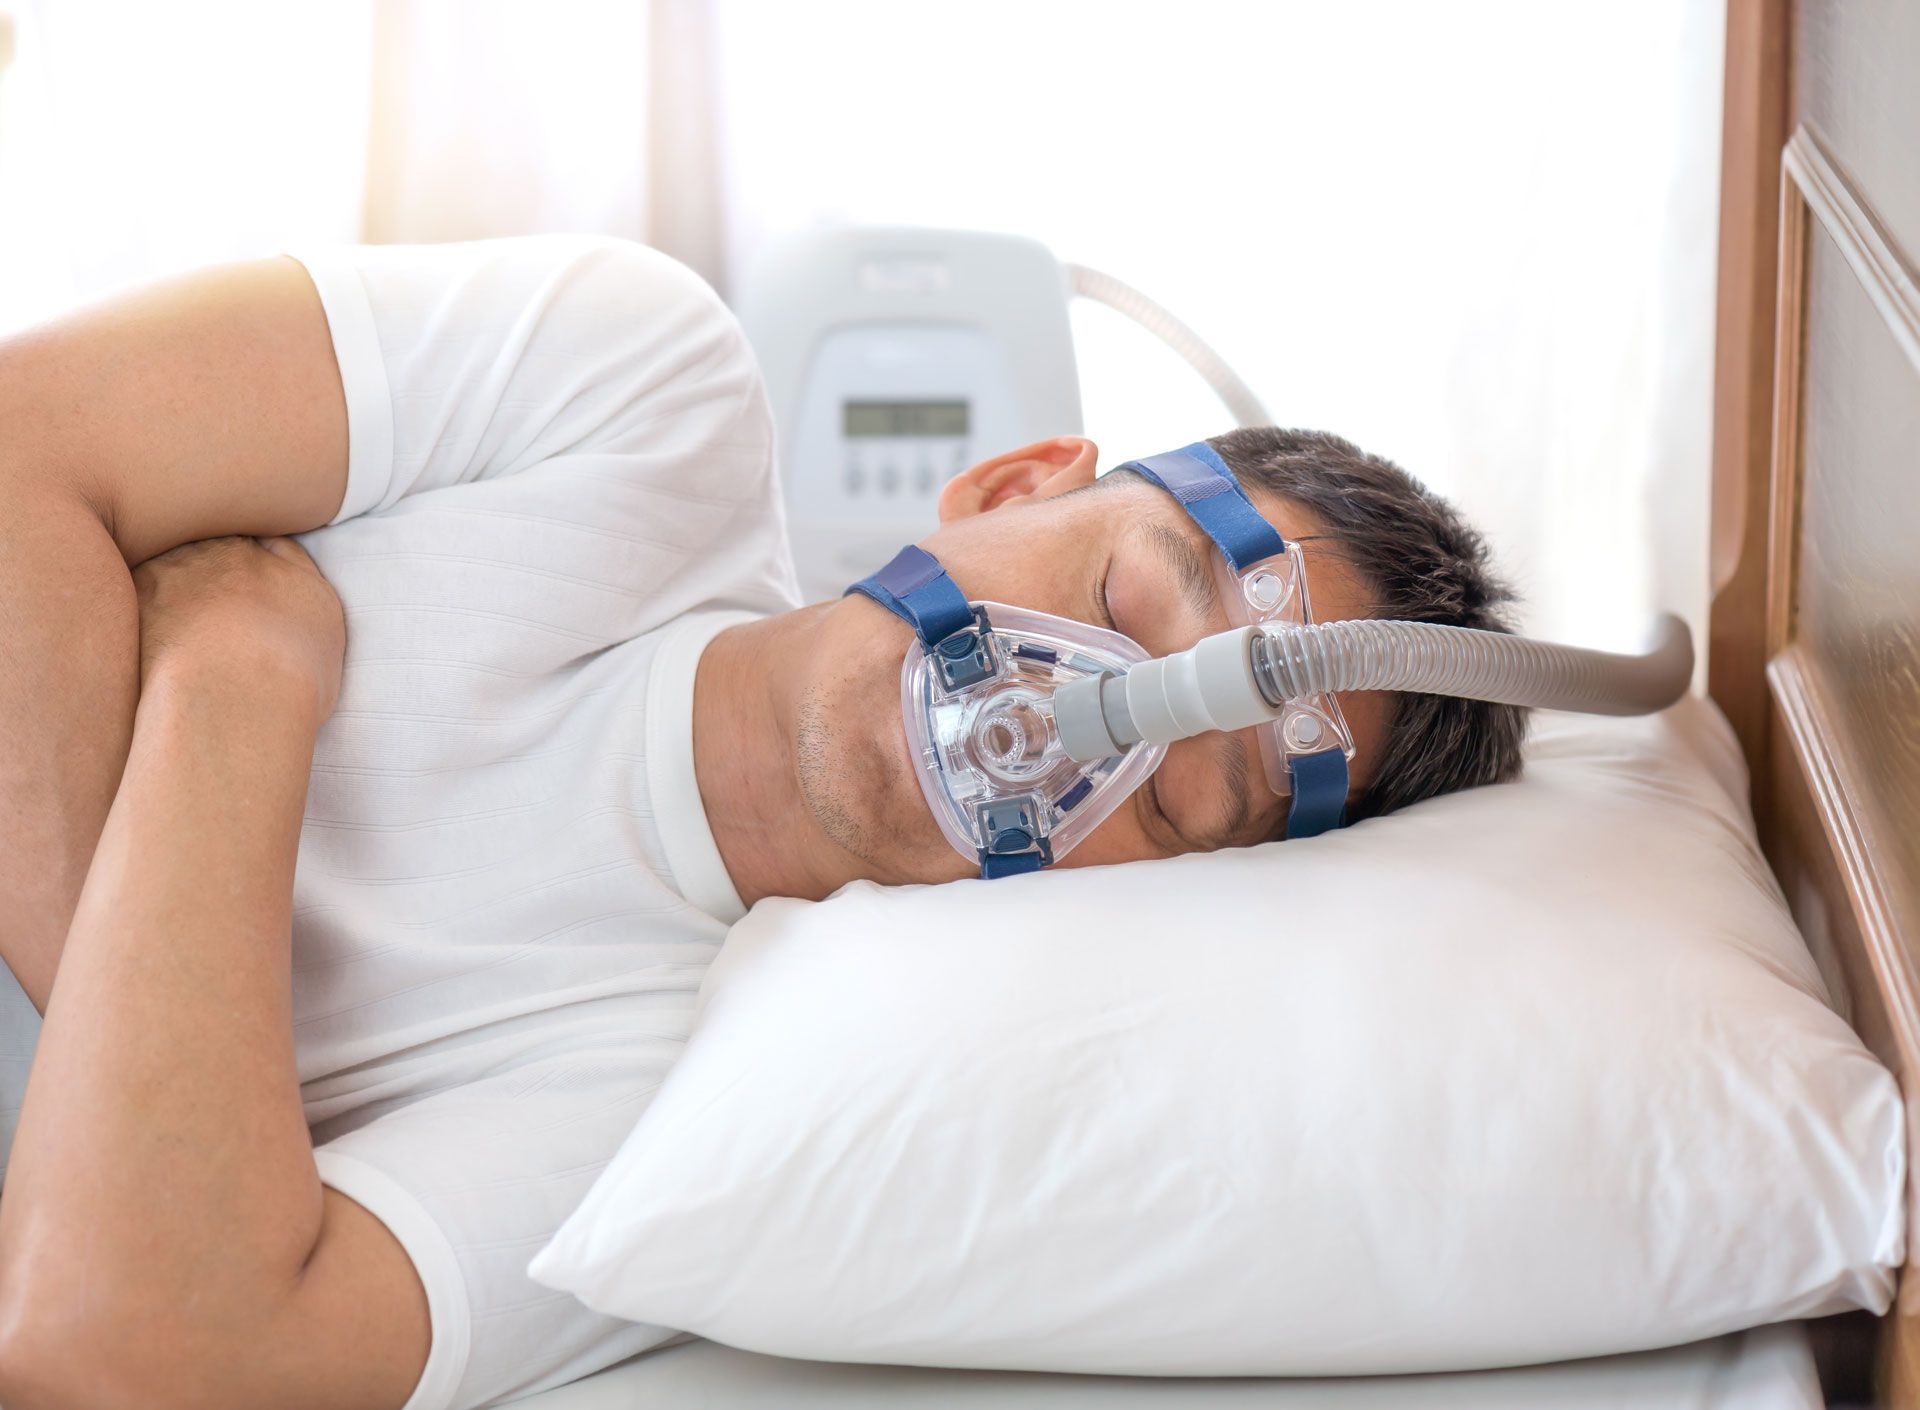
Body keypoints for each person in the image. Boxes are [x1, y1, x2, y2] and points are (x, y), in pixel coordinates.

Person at [0, 235, 1524, 1410]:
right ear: (1014, 481)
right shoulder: (634, 390)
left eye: (1183, 793)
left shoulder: (687, 1125)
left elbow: (115, 1349)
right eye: (1125, 597)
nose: (1069, 711)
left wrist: (234, 689)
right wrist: (162, 1120)